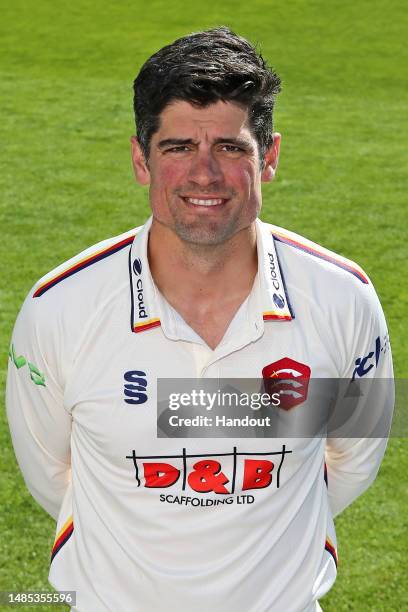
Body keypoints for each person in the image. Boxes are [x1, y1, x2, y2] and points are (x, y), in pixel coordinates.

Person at [6, 27, 394, 612]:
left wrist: (260, 529)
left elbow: (355, 456)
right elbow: (52, 470)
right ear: (141, 159)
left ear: (270, 158)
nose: (204, 174)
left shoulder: (344, 297)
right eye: (178, 147)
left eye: (231, 148)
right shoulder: (59, 305)